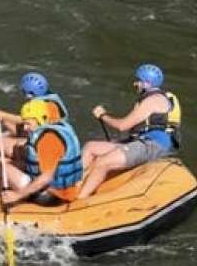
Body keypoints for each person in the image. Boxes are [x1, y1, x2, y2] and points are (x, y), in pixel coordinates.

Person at [77, 63, 181, 199]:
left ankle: (80, 199)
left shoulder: (152, 101)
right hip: (143, 141)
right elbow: (134, 129)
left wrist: (103, 116)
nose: (135, 84)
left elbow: (122, 126)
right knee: (91, 147)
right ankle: (76, 183)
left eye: (138, 81)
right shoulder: (150, 99)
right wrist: (119, 143)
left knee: (103, 162)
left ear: (147, 83)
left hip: (154, 146)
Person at [0, 71, 69, 195]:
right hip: (40, 145)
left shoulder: (43, 107)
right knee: (2, 137)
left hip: (38, 153)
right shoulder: (50, 102)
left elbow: (25, 121)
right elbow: (25, 126)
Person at [0, 99, 83, 206]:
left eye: (28, 124)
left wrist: (17, 195)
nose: (25, 128)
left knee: (0, 167)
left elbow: (47, 177)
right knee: (17, 163)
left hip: (51, 195)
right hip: (64, 189)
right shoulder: (58, 126)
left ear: (40, 120)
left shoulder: (47, 140)